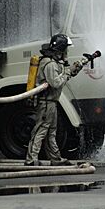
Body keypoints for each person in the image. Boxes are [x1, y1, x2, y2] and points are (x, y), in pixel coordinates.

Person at [25, 34, 84, 166]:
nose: (66, 53)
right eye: (65, 50)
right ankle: (30, 159)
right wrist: (68, 72)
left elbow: (62, 75)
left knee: (51, 132)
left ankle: (55, 159)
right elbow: (56, 83)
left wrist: (74, 68)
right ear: (60, 49)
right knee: (40, 131)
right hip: (46, 103)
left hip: (51, 103)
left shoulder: (54, 62)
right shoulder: (50, 64)